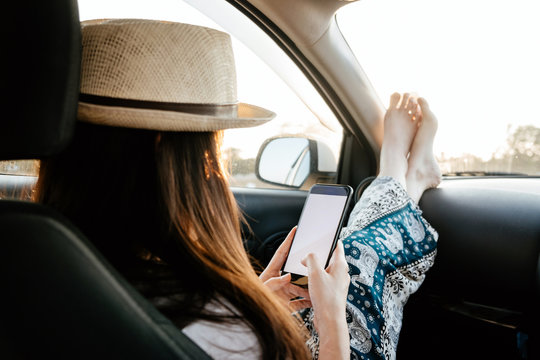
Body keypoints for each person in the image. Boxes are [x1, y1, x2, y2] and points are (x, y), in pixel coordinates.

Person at [34, 19, 440, 360]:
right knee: (357, 273)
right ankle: (402, 178)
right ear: (167, 153)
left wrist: (255, 301)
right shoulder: (234, 335)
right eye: (212, 151)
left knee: (347, 257)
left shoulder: (31, 266)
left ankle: (404, 179)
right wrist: (332, 324)